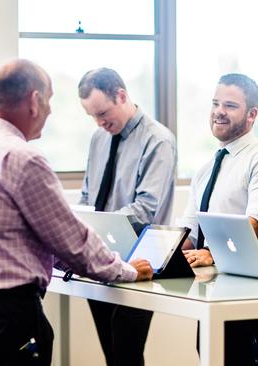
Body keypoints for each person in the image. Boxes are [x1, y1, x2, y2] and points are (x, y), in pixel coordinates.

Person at [0, 59, 153, 366]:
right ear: (34, 101)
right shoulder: (21, 157)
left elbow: (38, 237)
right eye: (49, 100)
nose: (50, 111)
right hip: (3, 319)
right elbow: (71, 240)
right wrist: (127, 270)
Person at [176, 73, 258, 365]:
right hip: (212, 288)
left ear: (252, 114)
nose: (218, 111)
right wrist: (159, 253)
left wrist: (211, 253)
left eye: (230, 105)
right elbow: (189, 232)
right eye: (215, 103)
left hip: (253, 290)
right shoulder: (206, 168)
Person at [78, 67, 177, 366]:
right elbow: (88, 196)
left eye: (103, 112)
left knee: (126, 353)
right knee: (112, 354)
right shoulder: (98, 138)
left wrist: (93, 228)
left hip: (140, 262)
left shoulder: (157, 140)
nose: (99, 122)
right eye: (92, 116)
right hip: (101, 259)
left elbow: (146, 209)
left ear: (121, 95)